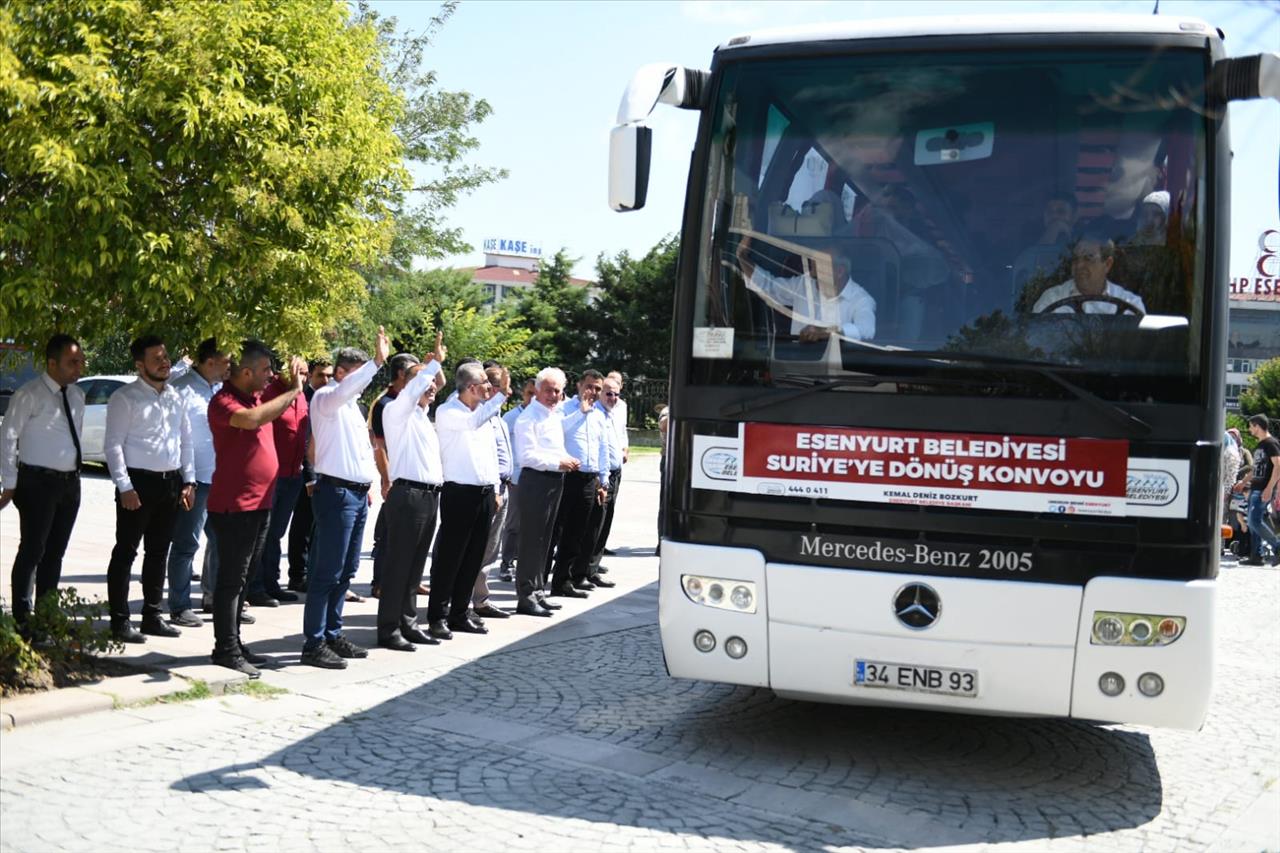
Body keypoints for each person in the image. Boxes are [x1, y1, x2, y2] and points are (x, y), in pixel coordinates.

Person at [205, 342, 307, 676]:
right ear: (245, 372)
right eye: (264, 370)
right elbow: (252, 420)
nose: (270, 376)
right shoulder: (224, 402)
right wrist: (293, 391)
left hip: (261, 503)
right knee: (231, 581)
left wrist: (289, 383)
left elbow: (269, 401)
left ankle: (234, 642)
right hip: (234, 506)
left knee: (245, 579)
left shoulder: (256, 395)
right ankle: (225, 649)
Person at [301, 327, 389, 669]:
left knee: (346, 570)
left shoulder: (352, 407)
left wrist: (368, 483)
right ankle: (313, 642)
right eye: (357, 375)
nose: (362, 384)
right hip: (335, 491)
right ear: (341, 374)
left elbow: (361, 452)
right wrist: (377, 362)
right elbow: (351, 387)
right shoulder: (327, 399)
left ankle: (332, 634)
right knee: (327, 570)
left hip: (355, 493)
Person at [103, 335, 195, 643]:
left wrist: (189, 480)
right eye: (157, 358)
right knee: (126, 552)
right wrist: (124, 486)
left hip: (170, 484)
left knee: (158, 553)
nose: (165, 362)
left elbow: (185, 441)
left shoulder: (175, 397)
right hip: (138, 484)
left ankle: (152, 616)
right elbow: (113, 445)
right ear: (140, 365)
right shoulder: (125, 398)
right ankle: (119, 621)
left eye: (166, 356)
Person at [0, 334, 86, 635]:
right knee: (33, 549)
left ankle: (47, 614)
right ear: (52, 363)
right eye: (72, 362)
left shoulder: (77, 395)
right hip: (36, 483)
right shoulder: (30, 394)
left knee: (55, 553)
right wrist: (9, 483)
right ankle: (23, 618)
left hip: (69, 483)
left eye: (81, 361)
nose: (80, 368)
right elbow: (8, 437)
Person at [376, 333, 448, 651]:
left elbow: (434, 385)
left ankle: (408, 622)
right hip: (407, 496)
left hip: (429, 497)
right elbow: (418, 387)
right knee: (398, 565)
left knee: (415, 566)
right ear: (406, 383)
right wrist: (432, 365)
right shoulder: (396, 410)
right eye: (421, 381)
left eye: (431, 382)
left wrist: (433, 370)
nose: (430, 386)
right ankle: (389, 629)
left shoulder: (421, 416)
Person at [426, 362, 508, 639]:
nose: (489, 387)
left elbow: (490, 456)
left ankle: (460, 613)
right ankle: (438, 615)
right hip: (459, 493)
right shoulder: (449, 411)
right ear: (471, 387)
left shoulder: (483, 415)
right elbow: (474, 422)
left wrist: (495, 488)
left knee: (474, 557)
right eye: (485, 383)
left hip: (484, 492)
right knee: (451, 557)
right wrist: (502, 395)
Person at [167, 338, 228, 626]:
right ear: (210, 361)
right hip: (194, 479)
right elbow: (178, 438)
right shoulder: (182, 390)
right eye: (226, 360)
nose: (230, 365)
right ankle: (179, 605)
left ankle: (213, 596)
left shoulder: (219, 389)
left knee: (220, 541)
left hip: (221, 478)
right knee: (186, 543)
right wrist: (186, 479)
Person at [245, 351, 313, 607]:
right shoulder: (270, 392)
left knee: (276, 534)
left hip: (293, 475)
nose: (302, 377)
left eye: (305, 372)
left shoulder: (302, 397)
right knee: (263, 533)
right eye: (298, 371)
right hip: (271, 476)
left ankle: (271, 583)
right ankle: (255, 586)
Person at [512, 368, 578, 616]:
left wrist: (565, 459)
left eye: (558, 391)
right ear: (537, 390)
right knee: (532, 541)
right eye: (549, 390)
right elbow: (527, 457)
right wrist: (557, 463)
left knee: (546, 539)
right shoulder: (528, 418)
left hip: (554, 480)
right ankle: (526, 595)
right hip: (536, 481)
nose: (553, 395)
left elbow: (553, 448)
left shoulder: (553, 415)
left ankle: (538, 590)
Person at [737, 237, 876, 342]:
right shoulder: (804, 284)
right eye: (812, 266)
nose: (813, 273)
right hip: (796, 371)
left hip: (839, 375)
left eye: (819, 266)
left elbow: (866, 330)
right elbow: (770, 287)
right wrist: (741, 257)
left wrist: (826, 332)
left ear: (839, 271)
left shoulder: (861, 300)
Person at [548, 370, 611, 599]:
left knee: (577, 533)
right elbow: (557, 432)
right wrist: (581, 413)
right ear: (578, 385)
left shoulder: (599, 415)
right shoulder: (564, 408)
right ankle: (539, 579)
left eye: (597, 388)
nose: (593, 392)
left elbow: (601, 448)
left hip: (588, 478)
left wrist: (603, 480)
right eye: (589, 387)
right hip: (567, 476)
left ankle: (563, 580)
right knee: (556, 529)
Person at [368, 353, 419, 598]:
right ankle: (380, 583)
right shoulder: (384, 403)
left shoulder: (414, 402)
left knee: (412, 535)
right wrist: (386, 479)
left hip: (413, 477)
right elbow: (380, 446)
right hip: (396, 479)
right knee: (388, 534)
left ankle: (412, 579)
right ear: (402, 374)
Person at [470, 364, 515, 620]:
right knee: (479, 547)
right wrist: (496, 488)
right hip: (490, 489)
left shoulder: (496, 417)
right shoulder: (480, 416)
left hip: (504, 487)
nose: (499, 391)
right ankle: (466, 601)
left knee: (491, 549)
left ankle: (481, 599)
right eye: (496, 385)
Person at [286, 359, 332, 593]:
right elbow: (304, 441)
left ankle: (311, 571)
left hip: (327, 473)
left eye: (329, 376)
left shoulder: (328, 399)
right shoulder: (304, 398)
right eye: (320, 375)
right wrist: (311, 478)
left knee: (317, 528)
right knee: (303, 526)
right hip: (307, 475)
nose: (325, 380)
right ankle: (298, 574)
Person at [1032, 236, 1146, 315]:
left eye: (1088, 258)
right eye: (1076, 259)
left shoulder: (1131, 304)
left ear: (1107, 264)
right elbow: (1035, 344)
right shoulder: (1051, 299)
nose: (1079, 265)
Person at [497, 378, 536, 582]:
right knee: (514, 522)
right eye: (529, 393)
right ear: (523, 394)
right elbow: (505, 446)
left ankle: (524, 560)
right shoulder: (512, 416)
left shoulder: (541, 416)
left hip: (537, 477)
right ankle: (506, 562)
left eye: (536, 393)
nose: (533, 398)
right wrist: (509, 473)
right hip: (517, 477)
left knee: (532, 523)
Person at [591, 373, 629, 568]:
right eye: (608, 394)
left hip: (615, 472)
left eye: (615, 394)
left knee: (606, 520)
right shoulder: (596, 413)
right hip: (602, 475)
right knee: (596, 522)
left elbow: (622, 435)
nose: (612, 398)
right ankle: (587, 566)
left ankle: (594, 565)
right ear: (599, 394)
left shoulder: (613, 412)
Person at [1237, 414, 1280, 567]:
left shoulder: (1271, 443)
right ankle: (1257, 556)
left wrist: (1269, 489)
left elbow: (1278, 466)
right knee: (1254, 522)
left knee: (1254, 521)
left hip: (1263, 490)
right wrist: (1243, 482)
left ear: (1257, 426)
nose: (1249, 429)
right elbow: (1255, 468)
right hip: (1255, 488)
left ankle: (1277, 547)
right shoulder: (1260, 445)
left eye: (1251, 426)